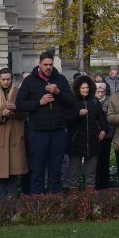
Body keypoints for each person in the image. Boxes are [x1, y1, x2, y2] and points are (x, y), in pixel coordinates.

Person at [15, 51, 75, 195]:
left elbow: (72, 102)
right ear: (39, 64)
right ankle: (37, 203)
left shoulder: (60, 79)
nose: (48, 67)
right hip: (38, 131)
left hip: (58, 130)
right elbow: (20, 104)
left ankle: (55, 202)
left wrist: (58, 92)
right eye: (45, 65)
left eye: (50, 64)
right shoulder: (30, 81)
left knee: (56, 169)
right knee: (38, 169)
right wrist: (39, 102)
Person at [0, 67, 27, 200]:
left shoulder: (18, 93)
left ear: (12, 80)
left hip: (14, 139)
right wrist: (1, 114)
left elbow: (24, 114)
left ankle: (12, 205)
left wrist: (15, 110)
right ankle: (1, 206)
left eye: (8, 79)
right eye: (3, 79)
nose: (6, 82)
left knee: (13, 175)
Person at [64, 74, 107, 191]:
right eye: (83, 88)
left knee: (91, 173)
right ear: (78, 88)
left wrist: (103, 129)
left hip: (92, 141)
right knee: (73, 173)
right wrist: (78, 115)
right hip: (75, 142)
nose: (85, 90)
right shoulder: (72, 101)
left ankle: (89, 201)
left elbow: (101, 117)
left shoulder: (94, 101)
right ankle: (74, 201)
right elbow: (66, 120)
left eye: (87, 88)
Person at [94, 82, 113, 190]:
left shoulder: (110, 101)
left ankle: (105, 185)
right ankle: (96, 185)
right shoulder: (92, 101)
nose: (100, 94)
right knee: (95, 161)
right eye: (98, 92)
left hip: (107, 134)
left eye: (102, 92)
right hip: (95, 135)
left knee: (105, 160)